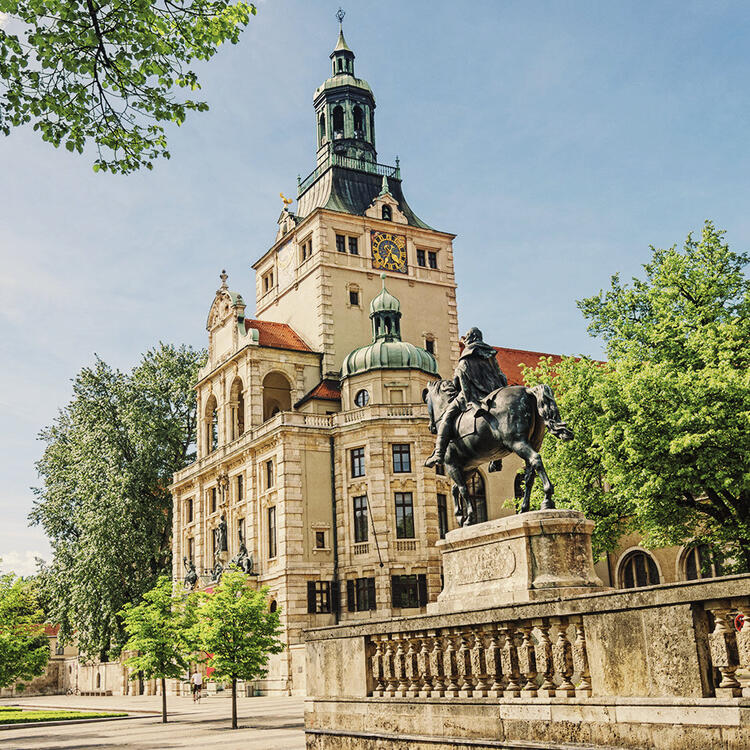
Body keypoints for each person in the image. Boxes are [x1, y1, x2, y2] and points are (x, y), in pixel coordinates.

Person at [425, 327, 507, 468]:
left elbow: (458, 382)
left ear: (470, 339)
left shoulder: (466, 356)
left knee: (446, 418)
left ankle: (438, 453)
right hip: (493, 394)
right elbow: (502, 377)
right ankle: (497, 459)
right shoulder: (490, 356)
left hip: (472, 396)